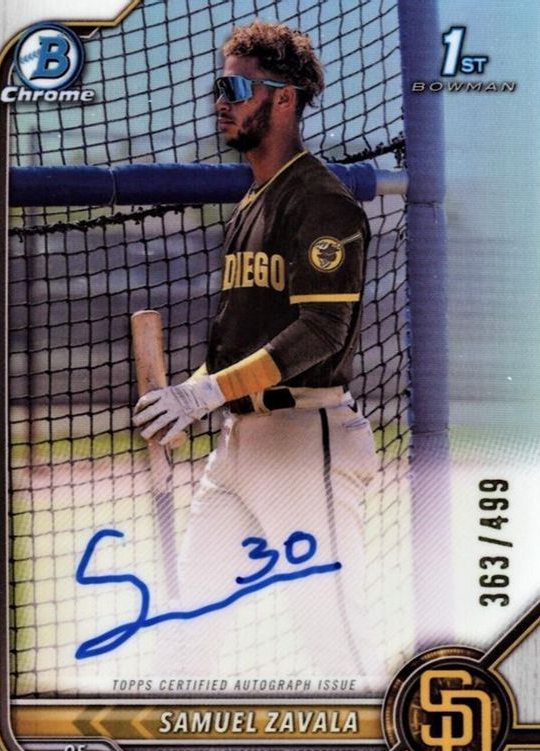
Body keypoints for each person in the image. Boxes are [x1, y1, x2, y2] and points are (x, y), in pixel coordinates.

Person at [133, 20, 381, 682]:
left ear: (283, 98)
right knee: (186, 633)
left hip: (304, 438)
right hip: (237, 444)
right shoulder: (252, 202)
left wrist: (203, 393)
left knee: (334, 641)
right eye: (221, 85)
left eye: (237, 88)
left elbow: (321, 331)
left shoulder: (320, 201)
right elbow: (236, 342)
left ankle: (385, 745)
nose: (221, 100)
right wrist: (182, 399)